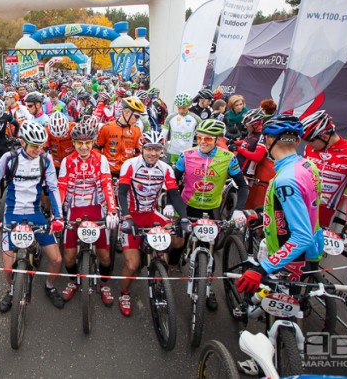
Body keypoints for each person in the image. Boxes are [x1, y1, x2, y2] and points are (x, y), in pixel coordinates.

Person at [0, 121, 66, 311]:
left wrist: (58, 217)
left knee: (56, 259)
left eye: (42, 145)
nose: (39, 149)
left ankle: (50, 286)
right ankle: (12, 291)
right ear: (22, 143)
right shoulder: (8, 159)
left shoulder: (46, 160)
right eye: (35, 145)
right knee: (7, 266)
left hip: (35, 213)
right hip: (12, 214)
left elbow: (53, 188)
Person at [235, 115, 323, 295]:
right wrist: (264, 218)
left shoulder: (286, 179)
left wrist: (263, 268)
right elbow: (302, 208)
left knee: (279, 316)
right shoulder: (308, 165)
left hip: (290, 258)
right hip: (310, 253)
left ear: (268, 140)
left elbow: (302, 236)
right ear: (298, 140)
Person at [174, 118, 249, 310]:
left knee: (208, 247)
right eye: (200, 137)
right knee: (178, 242)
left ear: (217, 139)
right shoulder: (186, 155)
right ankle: (174, 263)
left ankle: (207, 286)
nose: (203, 141)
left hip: (211, 208)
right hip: (186, 205)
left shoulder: (228, 158)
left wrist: (238, 209)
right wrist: (169, 203)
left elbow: (242, 186)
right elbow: (173, 183)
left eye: (208, 138)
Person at [117, 130, 191, 316]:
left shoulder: (165, 168)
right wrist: (126, 217)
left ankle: (165, 263)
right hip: (132, 215)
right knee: (133, 265)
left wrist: (182, 218)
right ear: (142, 148)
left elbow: (174, 194)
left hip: (151, 213)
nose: (153, 153)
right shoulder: (130, 164)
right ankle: (124, 293)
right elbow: (122, 193)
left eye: (157, 149)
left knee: (179, 239)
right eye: (149, 148)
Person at [58, 122, 119, 305]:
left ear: (93, 142)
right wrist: (58, 213)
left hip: (96, 209)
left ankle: (104, 283)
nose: (84, 147)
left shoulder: (100, 159)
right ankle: (72, 281)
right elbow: (61, 187)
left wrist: (112, 210)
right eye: (79, 143)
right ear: (74, 142)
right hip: (74, 210)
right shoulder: (67, 161)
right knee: (68, 257)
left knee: (105, 256)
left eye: (88, 142)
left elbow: (107, 184)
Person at [301, 110, 347, 234]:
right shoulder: (310, 148)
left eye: (310, 140)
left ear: (324, 136)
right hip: (297, 204)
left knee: (311, 251)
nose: (308, 144)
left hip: (324, 212)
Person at [96, 96, 144, 177]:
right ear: (126, 112)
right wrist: (100, 164)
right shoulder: (107, 127)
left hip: (127, 173)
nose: (137, 119)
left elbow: (138, 153)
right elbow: (97, 148)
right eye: (136, 116)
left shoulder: (137, 130)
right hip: (108, 172)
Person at [160, 93, 200, 164]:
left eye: (184, 108)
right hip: (172, 152)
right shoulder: (171, 117)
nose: (181, 111)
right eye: (179, 108)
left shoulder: (196, 118)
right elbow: (163, 134)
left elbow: (200, 135)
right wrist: (160, 147)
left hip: (187, 152)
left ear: (189, 105)